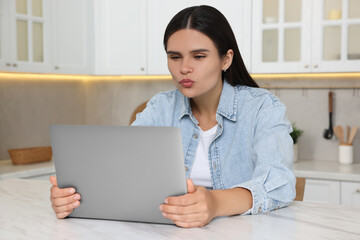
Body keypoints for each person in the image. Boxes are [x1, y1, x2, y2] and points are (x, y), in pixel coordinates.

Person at [50, 5, 296, 228]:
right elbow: (120, 169)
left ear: (226, 59)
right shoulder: (160, 107)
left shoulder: (263, 107)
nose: (184, 68)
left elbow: (280, 183)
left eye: (199, 57)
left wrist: (214, 203)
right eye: (174, 56)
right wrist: (74, 196)